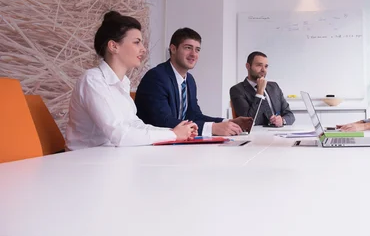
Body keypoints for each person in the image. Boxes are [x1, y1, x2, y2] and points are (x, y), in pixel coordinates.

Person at [65, 12, 197, 150]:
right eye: (136, 42)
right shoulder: (92, 80)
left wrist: (174, 132)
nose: (143, 49)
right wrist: (173, 134)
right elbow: (120, 135)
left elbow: (135, 125)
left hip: (110, 156)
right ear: (113, 46)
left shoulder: (123, 82)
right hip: (84, 161)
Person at [135, 28, 252, 136]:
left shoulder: (189, 80)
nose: (193, 54)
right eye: (188, 48)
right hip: (151, 148)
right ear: (173, 49)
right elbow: (162, 121)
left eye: (197, 50)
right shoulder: (157, 77)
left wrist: (228, 122)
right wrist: (212, 128)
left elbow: (194, 116)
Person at [229, 51, 295, 127]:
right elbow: (248, 122)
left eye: (266, 66)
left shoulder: (274, 86)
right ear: (248, 66)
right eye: (259, 65)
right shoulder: (237, 90)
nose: (263, 70)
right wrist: (259, 93)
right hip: (257, 135)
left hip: (278, 133)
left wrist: (282, 120)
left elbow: (290, 115)